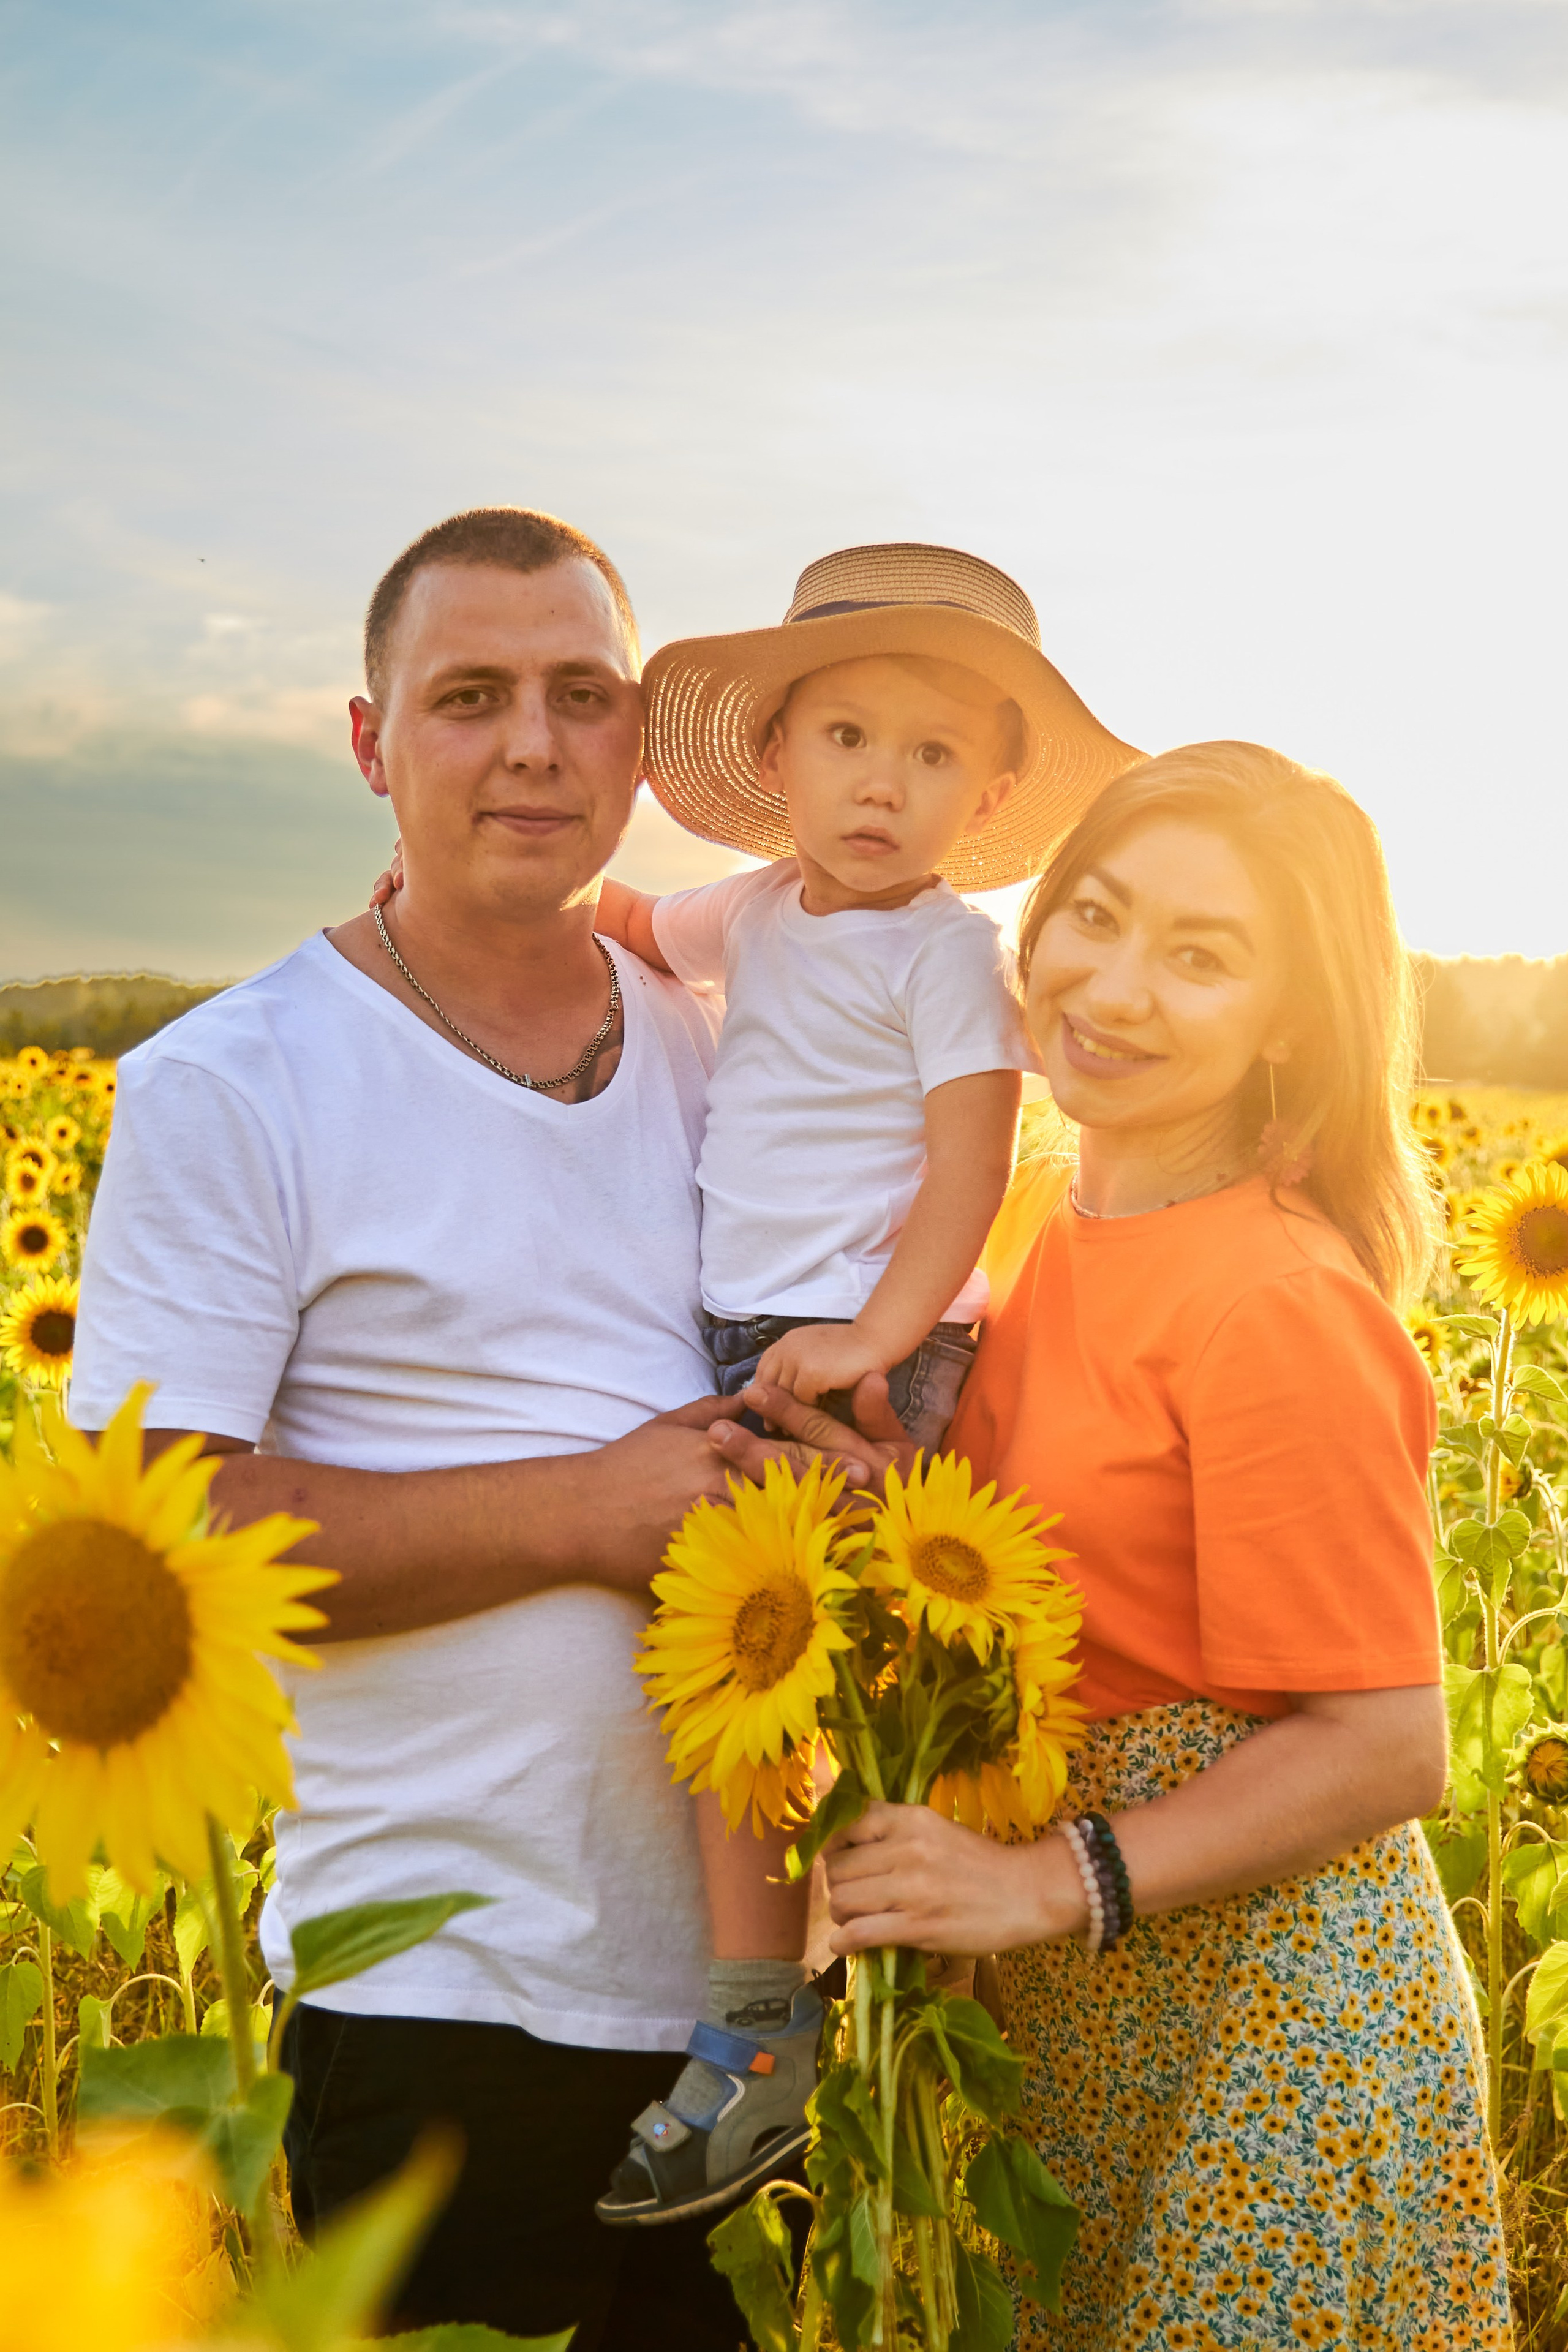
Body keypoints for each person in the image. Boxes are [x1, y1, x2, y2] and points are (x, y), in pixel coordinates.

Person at [68, 506, 812, 2351]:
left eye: (582, 695)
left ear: (638, 743)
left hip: (750, 2008)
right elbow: (154, 1557)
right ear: (369, 742)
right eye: (470, 696)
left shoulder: (725, 1046)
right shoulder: (237, 1082)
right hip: (443, 1998)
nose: (534, 745)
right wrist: (586, 1510)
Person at [377, 540, 1139, 2224]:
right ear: (777, 757)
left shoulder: (946, 956)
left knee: (771, 1669)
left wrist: (880, 1334)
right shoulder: (758, 913)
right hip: (754, 1333)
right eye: (848, 740)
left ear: (986, 798)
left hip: (870, 1347)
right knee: (764, 1681)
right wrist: (424, 903)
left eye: (931, 756)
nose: (881, 784)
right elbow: (626, 916)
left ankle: (773, 2030)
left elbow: (970, 1158)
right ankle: (821, 2005)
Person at [817, 742, 1513, 2348]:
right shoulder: (1023, 1216)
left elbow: (1388, 1745)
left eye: (1202, 957)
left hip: (1274, 2022)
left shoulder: (1276, 1300)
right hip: (1091, 2009)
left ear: (1292, 1022)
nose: (1116, 988)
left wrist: (1039, 1885)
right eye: (1097, 916)